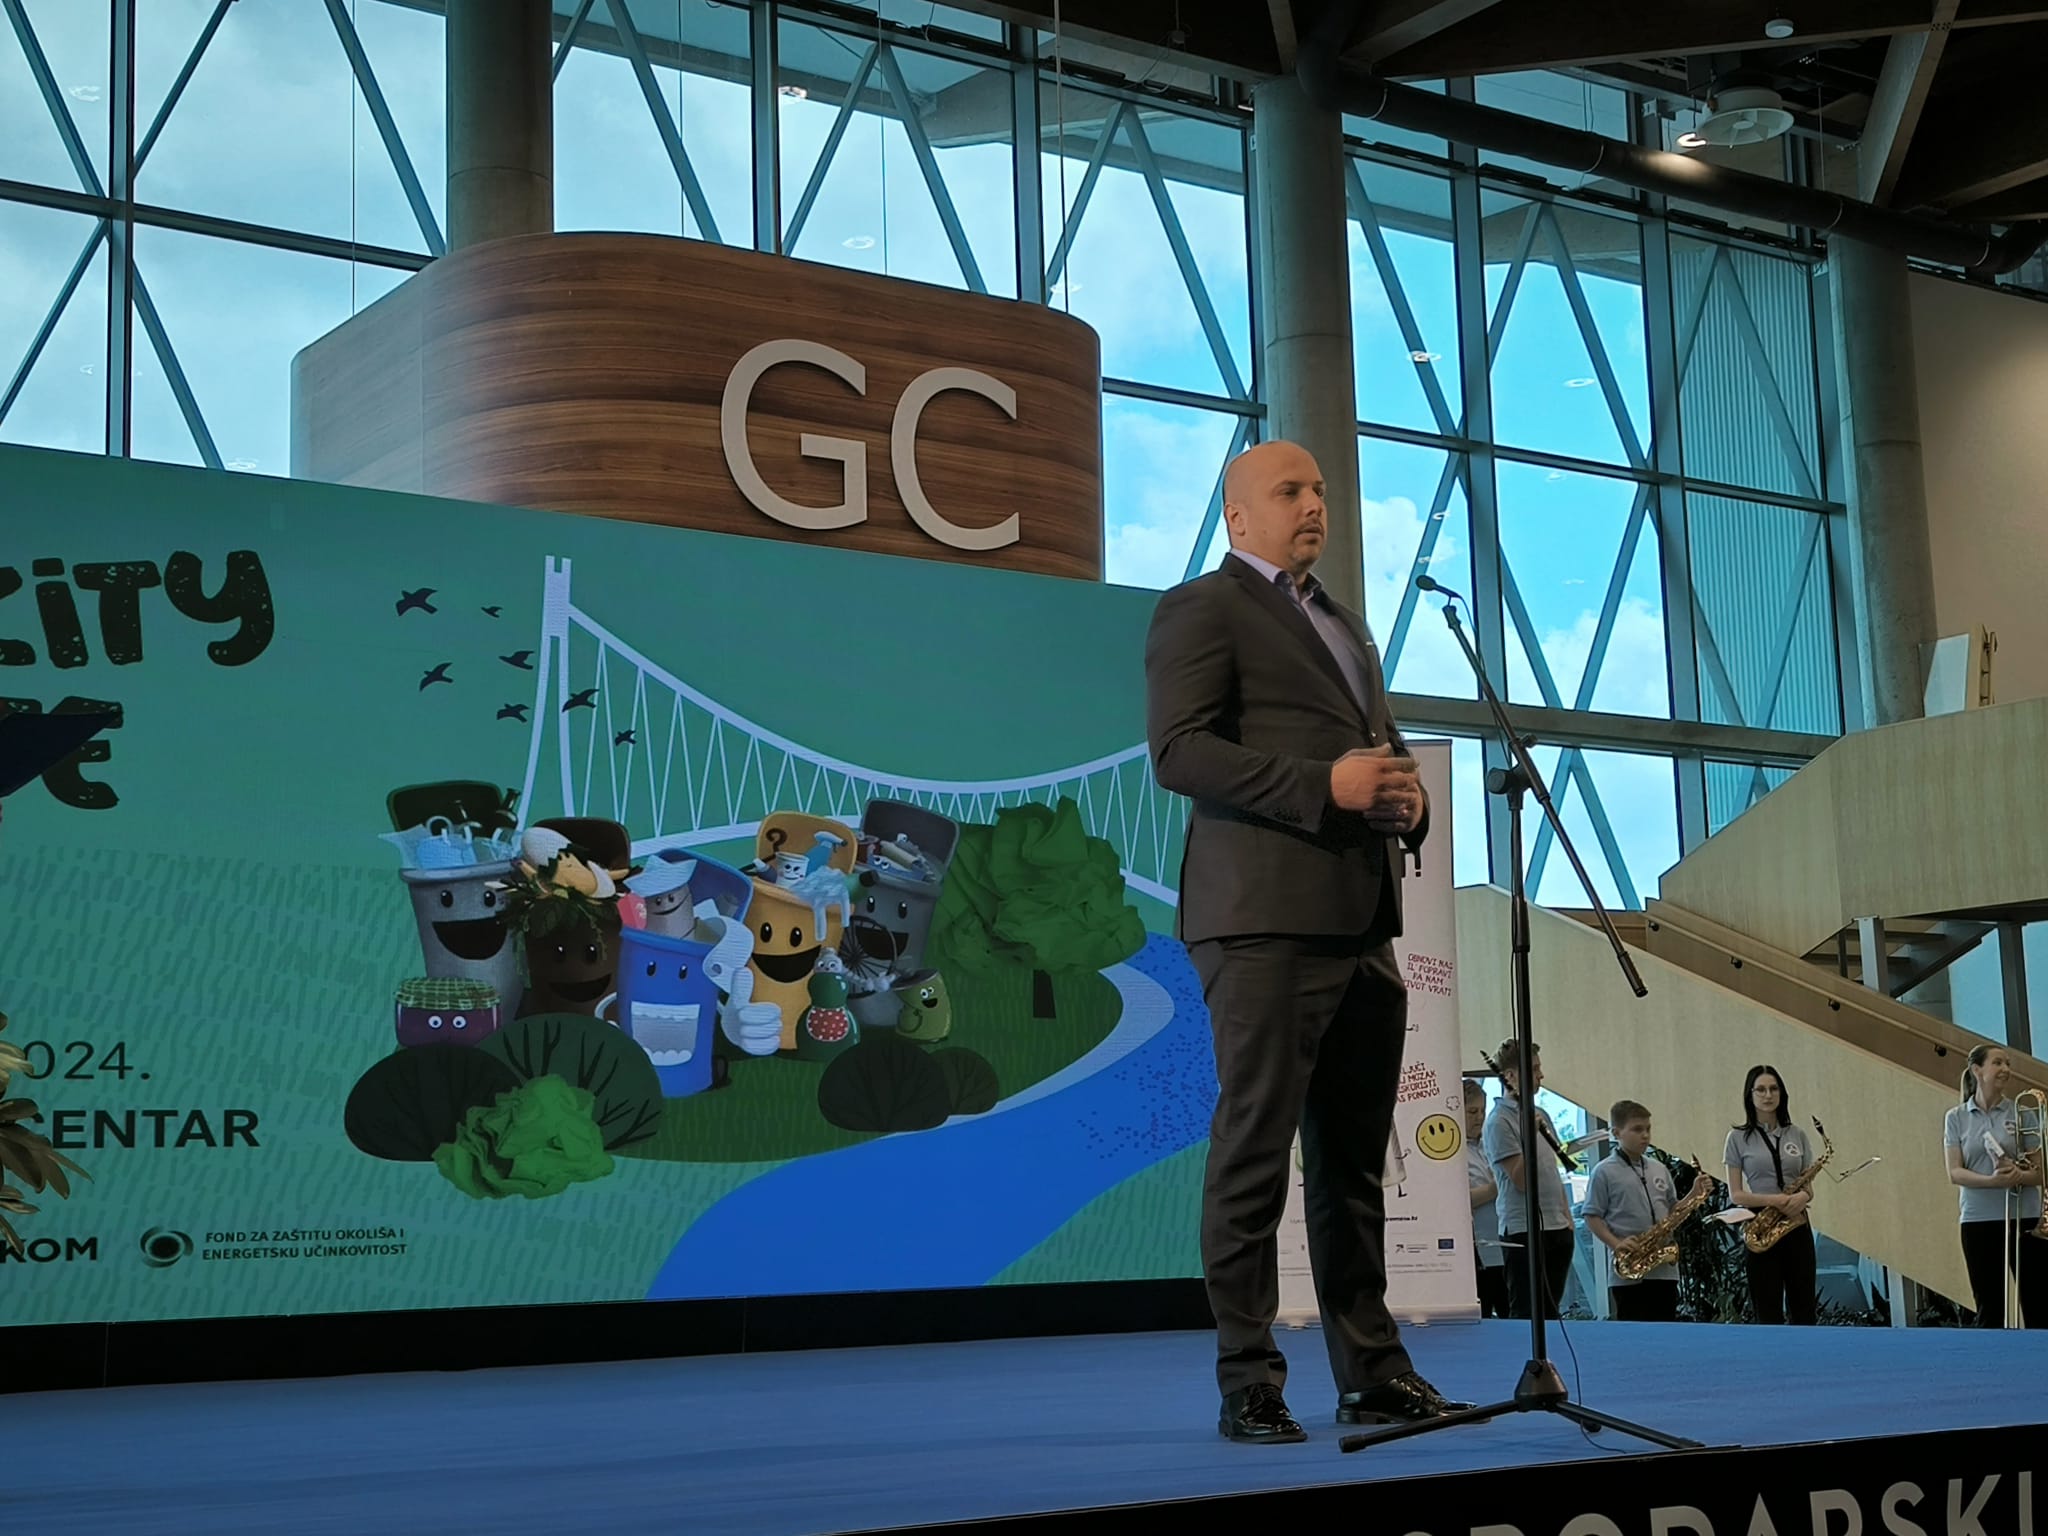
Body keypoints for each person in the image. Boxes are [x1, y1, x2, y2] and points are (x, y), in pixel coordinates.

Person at [1144, 437, 1468, 1445]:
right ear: (1238, 516)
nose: (1313, 503)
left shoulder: (1344, 623)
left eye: (1319, 489)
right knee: (1254, 1150)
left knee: (1351, 1168)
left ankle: (1371, 1373)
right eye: (1289, 490)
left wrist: (1407, 800)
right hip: (1261, 920)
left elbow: (1375, 752)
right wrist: (1321, 785)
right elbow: (1179, 752)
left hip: (1361, 920)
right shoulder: (1201, 607)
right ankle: (1249, 1379)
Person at [1943, 1043, 2047, 1328]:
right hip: (1978, 1219)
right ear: (1977, 1070)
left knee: (2038, 1303)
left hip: (2024, 1217)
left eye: (2008, 1064)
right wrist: (1993, 1182)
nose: (2006, 1069)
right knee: (1989, 1306)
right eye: (1998, 1063)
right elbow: (1955, 1172)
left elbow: (2042, 1173)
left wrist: (2018, 1176)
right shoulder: (1956, 1117)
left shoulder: (2022, 1113)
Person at [1481, 1040, 1576, 1320]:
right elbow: (1520, 1180)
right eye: (1533, 1069)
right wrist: (1530, 1138)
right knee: (1526, 1313)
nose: (1540, 1075)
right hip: (1523, 1229)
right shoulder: (1498, 1122)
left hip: (1557, 1226)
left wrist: (1567, 1216)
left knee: (1551, 1312)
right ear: (1510, 1076)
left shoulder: (1540, 1113)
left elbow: (1551, 1170)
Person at [1723, 1064, 1818, 1325]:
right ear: (1750, 1095)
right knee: (1767, 1309)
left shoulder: (1797, 1134)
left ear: (1782, 1093)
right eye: (1761, 1089)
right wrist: (1775, 1200)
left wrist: (1803, 1198)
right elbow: (1736, 1195)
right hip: (1760, 1224)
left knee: (1804, 1307)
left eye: (1774, 1089)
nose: (1768, 1095)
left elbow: (1808, 1186)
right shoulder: (1737, 1138)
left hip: (1796, 1220)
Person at [1582, 1099, 1680, 1322]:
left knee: (1667, 1331)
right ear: (1616, 1133)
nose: (1645, 1135)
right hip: (1628, 1272)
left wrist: (1694, 1195)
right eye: (1637, 1129)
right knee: (1634, 1331)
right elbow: (1591, 1216)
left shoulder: (1659, 1168)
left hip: (1664, 1272)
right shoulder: (1603, 1171)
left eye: (1648, 1129)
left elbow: (1673, 1210)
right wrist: (1616, 1244)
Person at [1465, 1078, 1510, 1318]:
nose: (1479, 1117)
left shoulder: (1489, 1145)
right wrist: (1495, 1188)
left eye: (1482, 1111)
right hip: (1478, 1250)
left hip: (1503, 1243)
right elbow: (1459, 1201)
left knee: (1510, 1315)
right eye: (1472, 1112)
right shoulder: (1452, 1153)